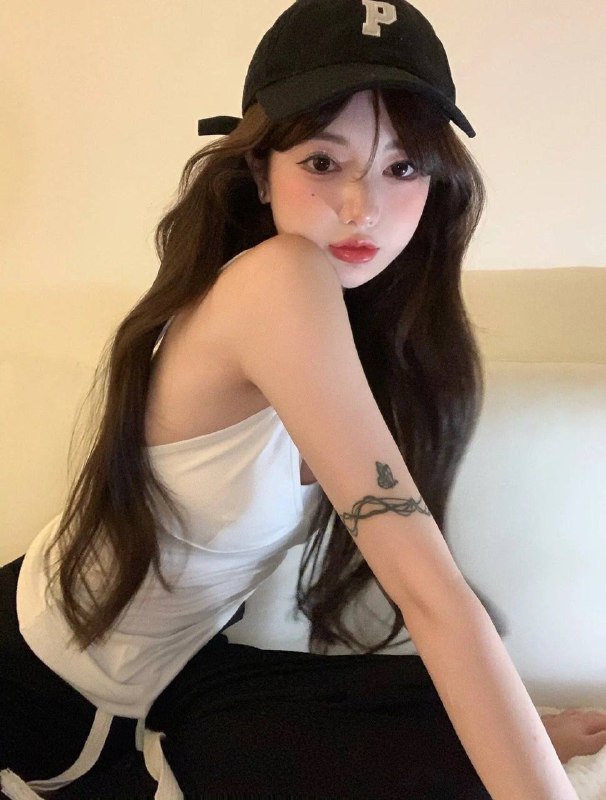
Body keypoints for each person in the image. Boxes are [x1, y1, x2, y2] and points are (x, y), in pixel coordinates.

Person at [2, 1, 605, 798]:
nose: (362, 208)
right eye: (323, 162)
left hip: (184, 664)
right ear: (260, 171)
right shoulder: (278, 280)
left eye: (403, 168)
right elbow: (429, 593)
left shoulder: (355, 323)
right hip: (51, 691)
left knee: (428, 693)